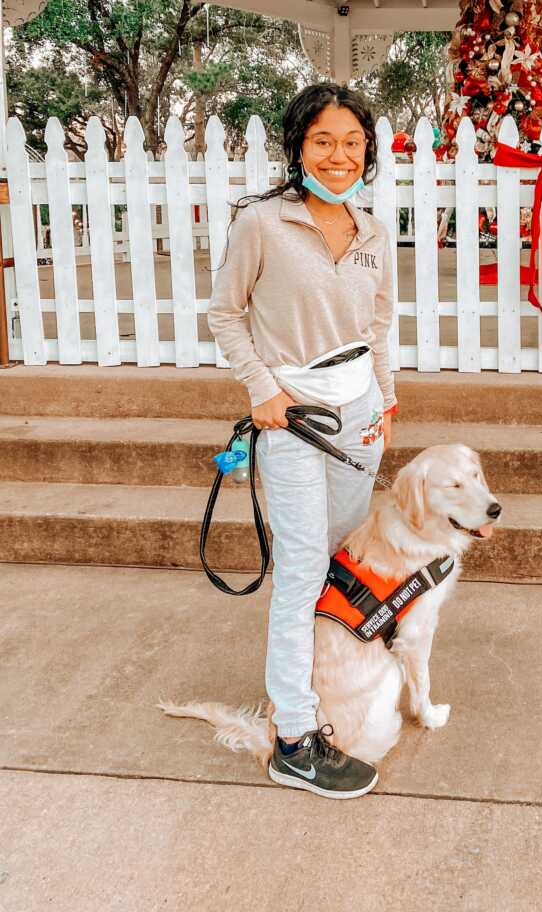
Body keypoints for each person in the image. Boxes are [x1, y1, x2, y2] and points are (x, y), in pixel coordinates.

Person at [207, 82, 397, 799]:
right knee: (299, 576)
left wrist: (389, 397)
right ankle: (293, 736)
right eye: (323, 140)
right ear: (298, 147)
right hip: (293, 419)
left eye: (352, 142)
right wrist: (264, 392)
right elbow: (226, 314)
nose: (339, 155)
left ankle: (328, 695)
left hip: (361, 417)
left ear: (367, 152)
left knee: (338, 568)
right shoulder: (262, 224)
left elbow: (379, 326)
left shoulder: (374, 231)